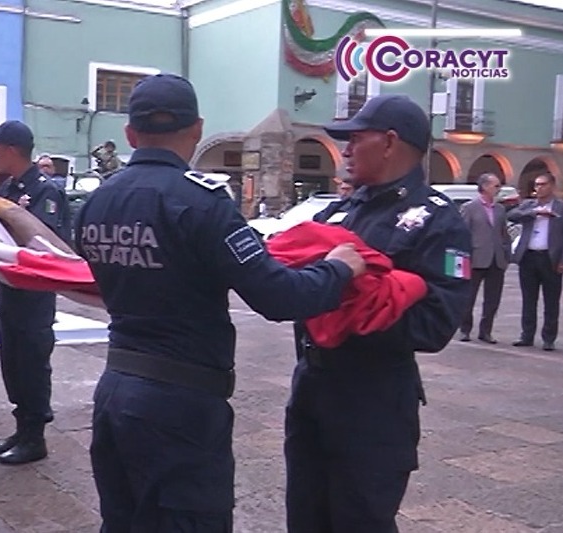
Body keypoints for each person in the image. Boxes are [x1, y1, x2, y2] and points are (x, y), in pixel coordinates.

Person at [73, 73, 364, 531]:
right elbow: (277, 296)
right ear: (197, 130)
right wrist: (340, 268)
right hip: (181, 402)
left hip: (115, 391)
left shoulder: (97, 202)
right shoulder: (202, 202)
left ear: (130, 134)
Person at [285, 94, 473, 532]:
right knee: (306, 518)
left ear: (389, 142)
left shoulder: (437, 221)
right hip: (313, 389)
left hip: (372, 402)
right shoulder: (339, 211)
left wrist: (349, 311)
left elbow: (435, 322)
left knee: (359, 520)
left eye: (355, 138)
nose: (346, 150)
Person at [0, 120, 69, 465]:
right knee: (13, 362)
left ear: (12, 150)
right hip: (11, 289)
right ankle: (21, 427)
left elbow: (46, 240)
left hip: (34, 292)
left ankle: (35, 436)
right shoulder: (9, 189)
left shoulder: (45, 190)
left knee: (32, 362)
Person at [507, 172, 563, 351]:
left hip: (550, 258)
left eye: (543, 184)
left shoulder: (560, 208)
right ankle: (527, 335)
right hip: (529, 257)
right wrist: (534, 213)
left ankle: (548, 338)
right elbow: (512, 215)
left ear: (552, 186)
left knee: (551, 301)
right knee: (528, 299)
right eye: (537, 185)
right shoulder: (529, 205)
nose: (538, 188)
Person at [458, 173, 510, 344]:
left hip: (496, 259)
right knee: (468, 297)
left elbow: (504, 233)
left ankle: (486, 331)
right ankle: (465, 329)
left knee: (493, 298)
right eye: (496, 186)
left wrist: (506, 253)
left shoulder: (500, 209)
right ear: (485, 186)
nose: (498, 189)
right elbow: (463, 234)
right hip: (476, 258)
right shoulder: (470, 207)